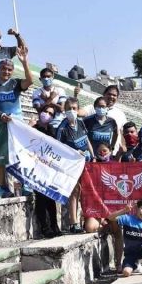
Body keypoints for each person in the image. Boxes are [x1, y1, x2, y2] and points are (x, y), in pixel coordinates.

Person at [0, 48, 34, 199]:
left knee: (20, 155)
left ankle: (24, 184)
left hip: (16, 124)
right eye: (4, 69)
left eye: (10, 70)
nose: (6, 72)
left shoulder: (15, 83)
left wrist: (25, 63)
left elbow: (30, 81)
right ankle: (1, 187)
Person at [56, 97, 95, 233]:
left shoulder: (81, 123)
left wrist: (93, 155)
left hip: (87, 162)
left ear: (78, 110)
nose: (71, 111)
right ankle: (74, 223)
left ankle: (87, 219)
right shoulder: (62, 127)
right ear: (65, 110)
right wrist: (74, 152)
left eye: (74, 108)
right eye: (69, 109)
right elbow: (58, 147)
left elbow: (87, 139)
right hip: (72, 165)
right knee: (75, 191)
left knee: (86, 190)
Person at [107, 199, 142, 276]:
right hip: (131, 253)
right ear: (137, 207)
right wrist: (124, 210)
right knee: (126, 272)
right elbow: (110, 217)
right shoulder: (127, 218)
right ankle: (136, 265)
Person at [32, 108, 62, 238]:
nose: (48, 115)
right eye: (46, 112)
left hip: (48, 167)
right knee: (40, 196)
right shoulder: (32, 127)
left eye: (51, 113)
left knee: (50, 196)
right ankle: (44, 226)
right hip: (35, 166)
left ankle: (54, 225)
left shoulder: (52, 131)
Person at [76, 84, 126, 154]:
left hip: (112, 154)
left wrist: (121, 147)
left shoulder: (120, 114)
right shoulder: (92, 108)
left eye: (114, 95)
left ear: (117, 97)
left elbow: (121, 132)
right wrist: (76, 96)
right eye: (109, 94)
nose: (111, 97)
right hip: (92, 155)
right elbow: (77, 113)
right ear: (104, 94)